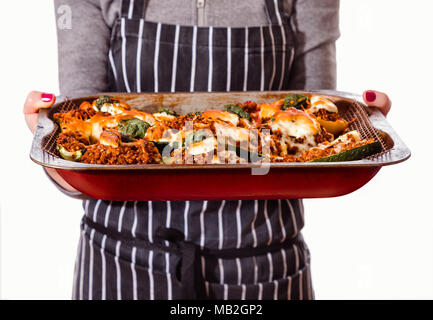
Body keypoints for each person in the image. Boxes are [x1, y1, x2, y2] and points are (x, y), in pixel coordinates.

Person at [24, 0, 391, 300]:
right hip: (120, 264)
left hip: (263, 270)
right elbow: (79, 145)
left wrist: (356, 132)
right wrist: (50, 145)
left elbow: (312, 143)